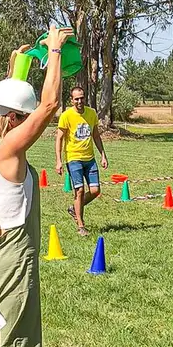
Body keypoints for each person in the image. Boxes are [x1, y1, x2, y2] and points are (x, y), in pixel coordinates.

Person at [0, 25, 73, 347]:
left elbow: (11, 104)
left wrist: (21, 67)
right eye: (23, 116)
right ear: (16, 119)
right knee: (16, 342)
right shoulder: (11, 148)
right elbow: (49, 106)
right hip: (14, 255)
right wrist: (52, 51)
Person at [55, 86, 108, 236]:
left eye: (82, 98)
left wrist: (103, 155)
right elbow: (59, 138)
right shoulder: (66, 116)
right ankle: (81, 225)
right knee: (79, 191)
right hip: (73, 159)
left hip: (89, 159)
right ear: (72, 100)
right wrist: (58, 161)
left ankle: (74, 208)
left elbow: (96, 136)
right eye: (76, 98)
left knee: (95, 191)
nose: (80, 101)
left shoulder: (91, 114)